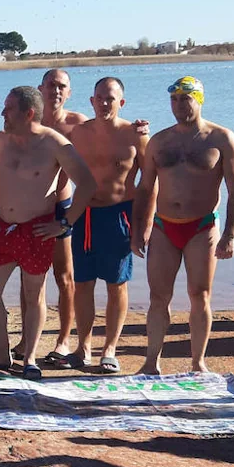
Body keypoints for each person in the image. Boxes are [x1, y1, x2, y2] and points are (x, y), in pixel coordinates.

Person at [0, 86, 95, 379]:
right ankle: (2, 354)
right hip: (3, 228)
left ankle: (29, 358)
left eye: (8, 108)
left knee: (34, 294)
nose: (2, 113)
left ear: (28, 113)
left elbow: (87, 185)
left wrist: (64, 224)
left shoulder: (54, 143)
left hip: (37, 230)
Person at [132, 77, 234, 374]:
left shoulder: (221, 138)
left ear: (199, 100)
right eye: (174, 100)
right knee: (158, 297)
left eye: (186, 99)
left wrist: (230, 234)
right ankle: (151, 362)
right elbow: (144, 188)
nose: (179, 105)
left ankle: (197, 363)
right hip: (163, 227)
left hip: (202, 228)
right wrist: (138, 230)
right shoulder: (159, 140)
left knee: (200, 295)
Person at [66, 78, 146, 373]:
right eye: (99, 98)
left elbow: (150, 182)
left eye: (110, 99)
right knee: (82, 284)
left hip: (119, 214)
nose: (104, 103)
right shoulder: (79, 133)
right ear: (91, 101)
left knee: (116, 283)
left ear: (121, 102)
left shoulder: (135, 134)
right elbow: (58, 164)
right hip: (85, 214)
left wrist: (144, 225)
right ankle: (82, 347)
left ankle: (109, 348)